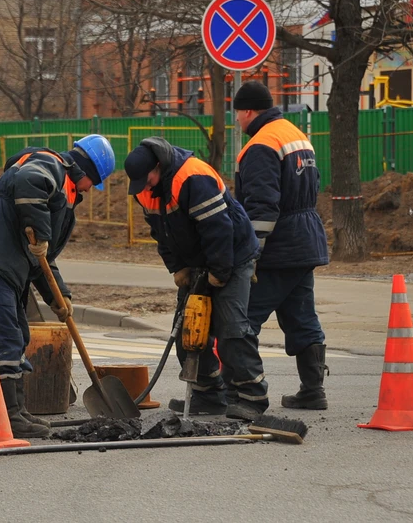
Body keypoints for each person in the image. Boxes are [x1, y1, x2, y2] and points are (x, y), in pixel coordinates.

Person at [0, 134, 115, 438]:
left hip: (5, 261)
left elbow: (43, 258)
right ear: (87, 172)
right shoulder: (51, 166)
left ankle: (16, 409)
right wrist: (40, 231)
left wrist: (59, 296)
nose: (90, 190)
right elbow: (29, 182)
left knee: (17, 332)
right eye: (93, 183)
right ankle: (8, 414)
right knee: (2, 334)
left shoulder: (60, 192)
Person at [124, 136, 267, 420]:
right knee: (188, 330)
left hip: (231, 256)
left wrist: (219, 273)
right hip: (196, 259)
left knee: (232, 328)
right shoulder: (146, 190)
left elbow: (218, 229)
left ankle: (252, 397)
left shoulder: (192, 176)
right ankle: (208, 394)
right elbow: (161, 234)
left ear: (157, 166)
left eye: (147, 179)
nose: (145, 186)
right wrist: (177, 267)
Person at [233, 81, 330, 410]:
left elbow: (262, 207)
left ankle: (244, 393)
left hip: (278, 247)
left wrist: (250, 254)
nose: (237, 122)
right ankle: (313, 390)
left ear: (247, 111)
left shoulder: (261, 145)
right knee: (301, 317)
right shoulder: (295, 134)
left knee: (242, 319)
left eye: (237, 115)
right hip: (304, 242)